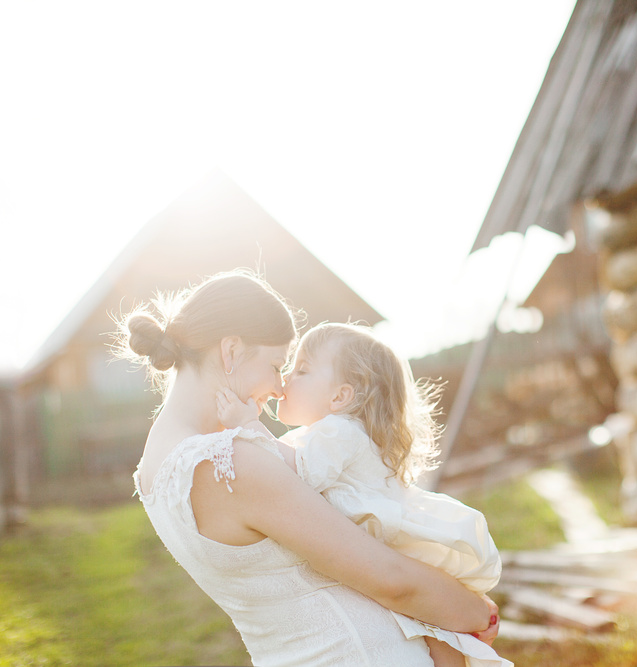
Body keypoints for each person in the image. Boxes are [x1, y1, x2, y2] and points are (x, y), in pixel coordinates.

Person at [116, 270, 498, 667]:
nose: (280, 387)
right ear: (230, 351)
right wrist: (476, 613)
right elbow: (390, 578)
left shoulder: (154, 472)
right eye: (277, 364)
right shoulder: (232, 462)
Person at [217, 322, 511, 667]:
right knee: (436, 636)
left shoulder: (338, 431)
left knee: (437, 633)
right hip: (389, 547)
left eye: (302, 370)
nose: (285, 381)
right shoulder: (332, 433)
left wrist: (248, 425)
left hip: (394, 548)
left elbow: (295, 473)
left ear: (340, 396)